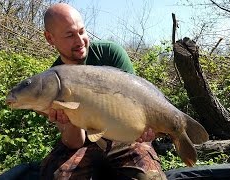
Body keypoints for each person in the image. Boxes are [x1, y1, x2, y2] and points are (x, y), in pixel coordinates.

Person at [40, 3, 166, 180]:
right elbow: (74, 142)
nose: (80, 41)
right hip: (84, 144)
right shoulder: (51, 81)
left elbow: (140, 105)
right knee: (56, 176)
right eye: (69, 35)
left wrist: (148, 130)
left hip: (124, 139)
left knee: (147, 176)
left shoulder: (109, 53)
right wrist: (69, 121)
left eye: (82, 31)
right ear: (50, 38)